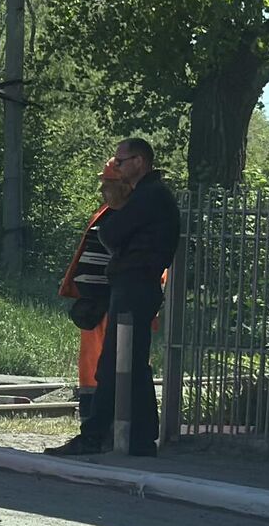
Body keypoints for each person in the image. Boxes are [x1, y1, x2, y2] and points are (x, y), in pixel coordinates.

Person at [53, 138, 180, 458]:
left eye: (120, 162)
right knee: (132, 365)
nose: (117, 167)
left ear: (139, 161)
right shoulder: (150, 196)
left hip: (134, 287)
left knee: (113, 364)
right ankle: (139, 438)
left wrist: (122, 246)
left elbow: (111, 233)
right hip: (136, 285)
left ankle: (94, 437)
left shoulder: (149, 195)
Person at [59, 158, 134, 425]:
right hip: (94, 305)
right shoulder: (104, 212)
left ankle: (112, 421)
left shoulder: (136, 216)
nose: (102, 188)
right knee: (91, 362)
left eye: (108, 183)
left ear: (125, 185)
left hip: (117, 305)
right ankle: (91, 417)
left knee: (118, 363)